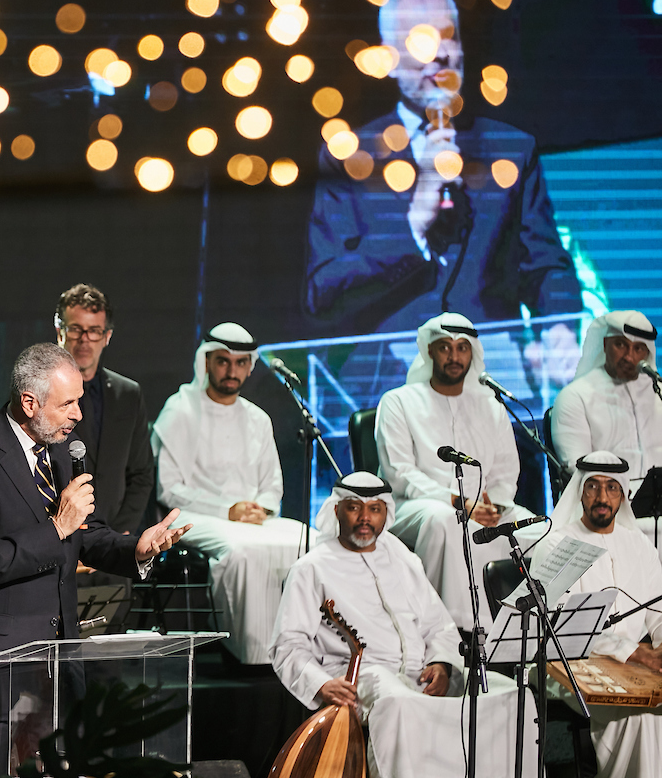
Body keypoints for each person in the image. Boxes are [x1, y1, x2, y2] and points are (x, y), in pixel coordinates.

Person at [303, 0, 580, 404]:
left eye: (450, 36)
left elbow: (544, 265)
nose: (442, 52)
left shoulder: (511, 151)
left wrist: (560, 327)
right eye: (422, 39)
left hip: (492, 384)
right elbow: (323, 292)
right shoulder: (349, 157)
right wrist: (413, 225)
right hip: (384, 390)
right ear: (389, 59)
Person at [0, 343, 189, 778]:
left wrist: (137, 548)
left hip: (53, 666)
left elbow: (88, 532)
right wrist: (56, 528)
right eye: (68, 403)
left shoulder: (62, 452)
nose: (78, 415)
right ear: (29, 403)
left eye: (79, 401)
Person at [270, 471, 535, 778]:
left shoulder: (403, 558)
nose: (365, 518)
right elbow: (287, 646)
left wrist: (442, 662)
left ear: (386, 512)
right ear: (336, 510)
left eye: (375, 508)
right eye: (354, 507)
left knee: (513, 694)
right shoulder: (311, 568)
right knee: (398, 702)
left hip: (420, 675)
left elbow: (439, 626)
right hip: (364, 678)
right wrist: (321, 683)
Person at [375, 312, 546, 631]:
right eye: (445, 347)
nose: (454, 356)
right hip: (417, 505)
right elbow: (400, 474)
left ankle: (526, 630)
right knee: (445, 523)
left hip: (484, 509)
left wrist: (494, 505)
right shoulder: (398, 402)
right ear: (429, 351)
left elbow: (506, 470)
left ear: (473, 353)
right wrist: (457, 500)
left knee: (541, 532)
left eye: (462, 348)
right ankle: (457, 631)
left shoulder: (491, 406)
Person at [152, 322, 306, 665]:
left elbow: (272, 484)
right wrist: (227, 510)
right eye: (223, 361)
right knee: (241, 551)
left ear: (250, 367)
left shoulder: (257, 418)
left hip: (252, 518)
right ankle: (247, 652)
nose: (231, 370)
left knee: (308, 541)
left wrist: (261, 509)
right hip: (194, 515)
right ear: (207, 362)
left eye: (240, 363)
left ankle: (297, 650)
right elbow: (169, 489)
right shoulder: (180, 409)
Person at [531, 452, 662, 778]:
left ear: (623, 494)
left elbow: (658, 613)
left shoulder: (640, 544)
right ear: (580, 491)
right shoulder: (557, 544)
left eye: (611, 488)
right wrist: (631, 651)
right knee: (639, 713)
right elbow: (559, 626)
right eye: (592, 487)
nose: (602, 498)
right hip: (567, 663)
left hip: (631, 665)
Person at [54, 284, 153, 535]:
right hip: (57, 542)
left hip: (113, 543)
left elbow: (141, 473)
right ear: (60, 331)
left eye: (94, 331)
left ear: (107, 336)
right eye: (76, 329)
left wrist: (118, 536)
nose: (84, 340)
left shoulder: (128, 394)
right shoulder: (39, 393)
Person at [551, 311, 662, 479]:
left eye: (638, 348)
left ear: (647, 353)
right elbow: (578, 470)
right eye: (620, 345)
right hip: (609, 500)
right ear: (605, 344)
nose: (629, 357)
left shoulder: (658, 392)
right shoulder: (575, 397)